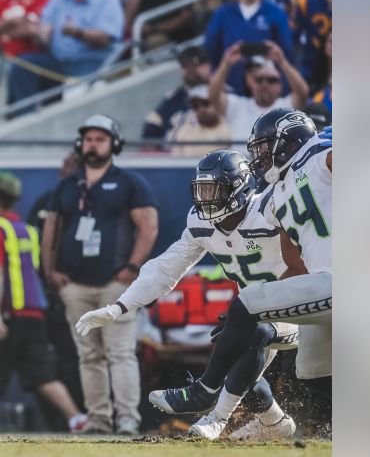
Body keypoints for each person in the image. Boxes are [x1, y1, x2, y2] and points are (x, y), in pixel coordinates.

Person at [77, 149, 304, 440]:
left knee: (252, 333)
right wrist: (120, 306)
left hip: (298, 307)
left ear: (240, 187)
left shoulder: (269, 211)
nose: (205, 199)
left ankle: (214, 416)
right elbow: (166, 268)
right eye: (202, 190)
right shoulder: (202, 224)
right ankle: (275, 422)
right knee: (233, 346)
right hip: (255, 310)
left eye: (213, 190)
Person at [147, 109, 331, 422]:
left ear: (287, 140)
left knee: (245, 303)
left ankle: (205, 390)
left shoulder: (320, 157)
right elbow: (294, 268)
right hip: (320, 284)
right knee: (312, 372)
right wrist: (242, 326)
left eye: (263, 146)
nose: (258, 156)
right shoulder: (277, 196)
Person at [41, 115, 159, 435]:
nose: (93, 145)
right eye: (89, 139)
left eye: (100, 139)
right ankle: (98, 419)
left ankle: (127, 419)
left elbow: (148, 224)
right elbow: (52, 227)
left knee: (120, 353)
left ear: (114, 144)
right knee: (89, 355)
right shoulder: (68, 185)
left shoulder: (128, 182)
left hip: (113, 285)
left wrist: (132, 268)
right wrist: (51, 271)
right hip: (75, 286)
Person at [0, 172, 88, 433]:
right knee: (43, 376)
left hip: (7, 314)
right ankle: (76, 418)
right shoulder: (27, 230)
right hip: (35, 315)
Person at [6, 0, 124, 107]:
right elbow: (44, 29)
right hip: (58, 61)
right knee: (23, 64)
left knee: (73, 86)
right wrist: (40, 34)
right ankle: (24, 117)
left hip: (93, 61)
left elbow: (106, 37)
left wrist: (77, 32)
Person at [204, 0, 295, 90]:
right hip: (230, 89)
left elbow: (287, 51)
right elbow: (210, 49)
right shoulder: (222, 13)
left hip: (267, 87)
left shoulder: (276, 13)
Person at [208, 43, 308, 143]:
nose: (265, 84)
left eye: (271, 80)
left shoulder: (288, 107)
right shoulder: (237, 105)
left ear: (280, 85)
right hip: (242, 158)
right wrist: (226, 64)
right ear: (251, 82)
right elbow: (213, 95)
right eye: (259, 80)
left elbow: (302, 91)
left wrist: (282, 62)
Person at [141, 45, 211, 143]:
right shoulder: (172, 98)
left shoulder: (225, 95)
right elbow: (149, 131)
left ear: (208, 65)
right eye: (185, 64)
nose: (190, 69)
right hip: (175, 155)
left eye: (196, 63)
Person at [166, 85, 232, 155]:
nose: (201, 109)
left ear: (218, 103)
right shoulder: (185, 131)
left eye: (205, 103)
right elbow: (175, 159)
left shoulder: (230, 129)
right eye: (195, 106)